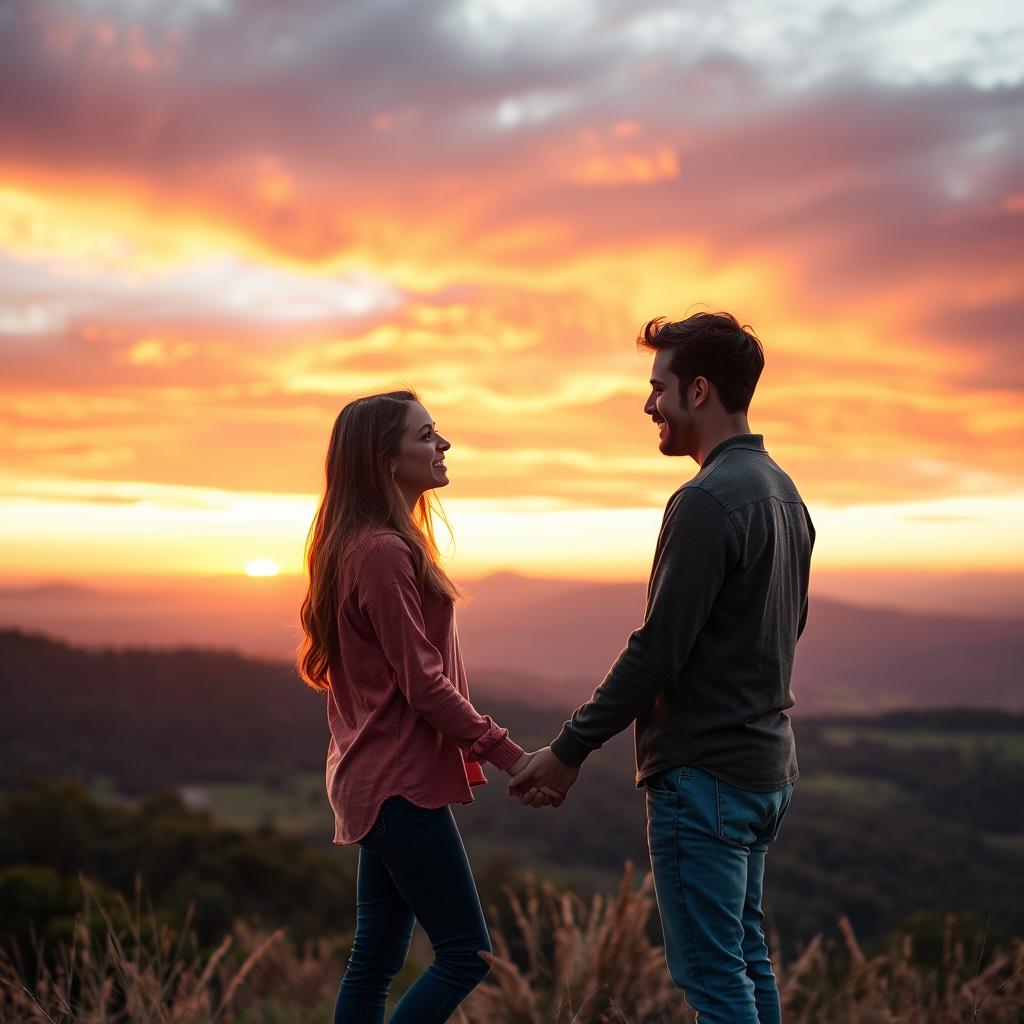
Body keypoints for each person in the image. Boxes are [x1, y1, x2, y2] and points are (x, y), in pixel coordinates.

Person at [509, 312, 815, 1024]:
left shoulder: (706, 501)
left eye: (659, 387)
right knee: (745, 961)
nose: (648, 404)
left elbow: (658, 650)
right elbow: (784, 632)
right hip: (764, 770)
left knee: (714, 981)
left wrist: (569, 748)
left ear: (699, 391)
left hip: (703, 775)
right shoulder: (783, 491)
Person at [297, 390, 540, 1024]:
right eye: (427, 434)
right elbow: (424, 684)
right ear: (385, 458)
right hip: (400, 787)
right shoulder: (380, 551)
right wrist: (514, 758)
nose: (443, 444)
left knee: (373, 961)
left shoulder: (356, 546)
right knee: (466, 955)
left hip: (373, 783)